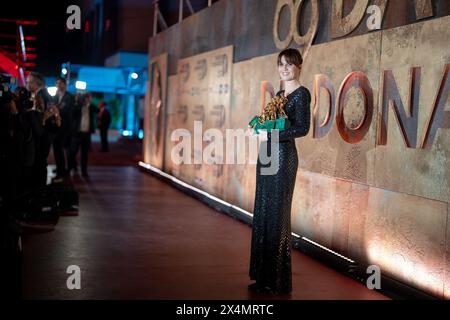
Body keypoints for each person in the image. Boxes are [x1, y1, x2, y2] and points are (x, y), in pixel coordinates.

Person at [248, 48, 311, 295]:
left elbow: (302, 128)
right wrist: (259, 129)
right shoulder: (280, 93)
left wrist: (272, 134)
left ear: (299, 66)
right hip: (267, 155)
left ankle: (277, 281)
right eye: (281, 64)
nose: (284, 68)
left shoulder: (302, 94)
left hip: (283, 157)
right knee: (262, 212)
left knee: (277, 214)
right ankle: (262, 276)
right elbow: (273, 122)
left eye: (289, 64)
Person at [69, 92, 97, 177]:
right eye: (87, 98)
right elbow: (72, 113)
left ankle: (84, 171)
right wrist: (77, 102)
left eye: (90, 98)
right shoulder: (77, 106)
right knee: (73, 152)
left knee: (85, 153)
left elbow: (98, 110)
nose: (88, 99)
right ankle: (73, 166)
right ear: (83, 98)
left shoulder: (91, 107)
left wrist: (89, 104)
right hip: (77, 133)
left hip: (86, 133)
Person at [52, 77, 74, 179]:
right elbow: (52, 107)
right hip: (57, 126)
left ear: (65, 84)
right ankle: (60, 167)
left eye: (60, 83)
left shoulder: (69, 97)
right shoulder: (56, 96)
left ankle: (63, 170)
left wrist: (56, 110)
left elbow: (67, 111)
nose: (58, 85)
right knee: (57, 148)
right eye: (57, 83)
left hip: (66, 127)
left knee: (61, 148)